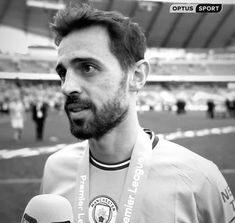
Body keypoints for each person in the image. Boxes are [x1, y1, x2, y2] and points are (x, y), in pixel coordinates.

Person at [40, 3, 235, 223]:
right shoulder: (55, 169)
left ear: (137, 76)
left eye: (87, 67)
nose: (67, 87)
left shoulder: (200, 179)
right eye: (63, 73)